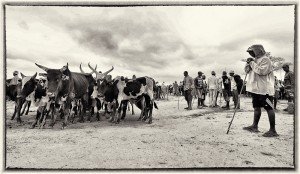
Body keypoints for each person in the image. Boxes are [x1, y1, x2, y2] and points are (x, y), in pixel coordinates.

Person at [243, 44, 278, 137]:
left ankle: (273, 130)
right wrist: (248, 63)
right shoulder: (254, 60)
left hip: (265, 90)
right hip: (255, 89)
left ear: (258, 51)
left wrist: (252, 63)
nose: (251, 54)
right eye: (250, 53)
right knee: (256, 107)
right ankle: (254, 126)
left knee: (269, 108)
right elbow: (246, 71)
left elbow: (262, 71)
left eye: (252, 52)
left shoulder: (266, 60)